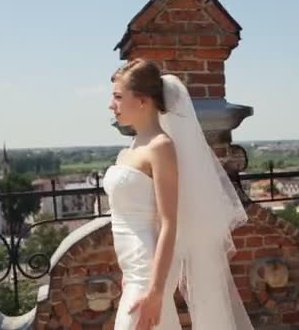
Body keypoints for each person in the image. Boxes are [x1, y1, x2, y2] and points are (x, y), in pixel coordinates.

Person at [103, 58, 254, 330]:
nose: (111, 105)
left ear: (143, 101)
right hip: (133, 270)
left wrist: (156, 290)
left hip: (146, 270)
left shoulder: (160, 147)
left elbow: (169, 222)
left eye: (117, 97)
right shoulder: (134, 145)